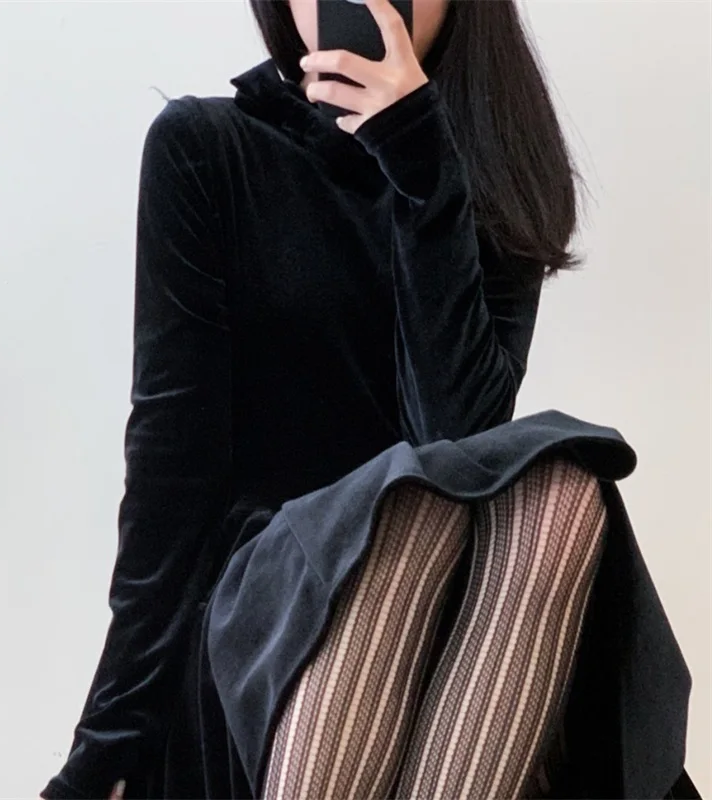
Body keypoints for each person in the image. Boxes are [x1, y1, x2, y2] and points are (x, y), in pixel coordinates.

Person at [41, 1, 698, 798]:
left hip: (450, 658)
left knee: (552, 491)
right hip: (261, 634)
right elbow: (170, 474)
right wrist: (107, 746)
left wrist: (420, 164)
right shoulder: (208, 149)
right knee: (402, 509)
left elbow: (458, 440)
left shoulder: (489, 178)